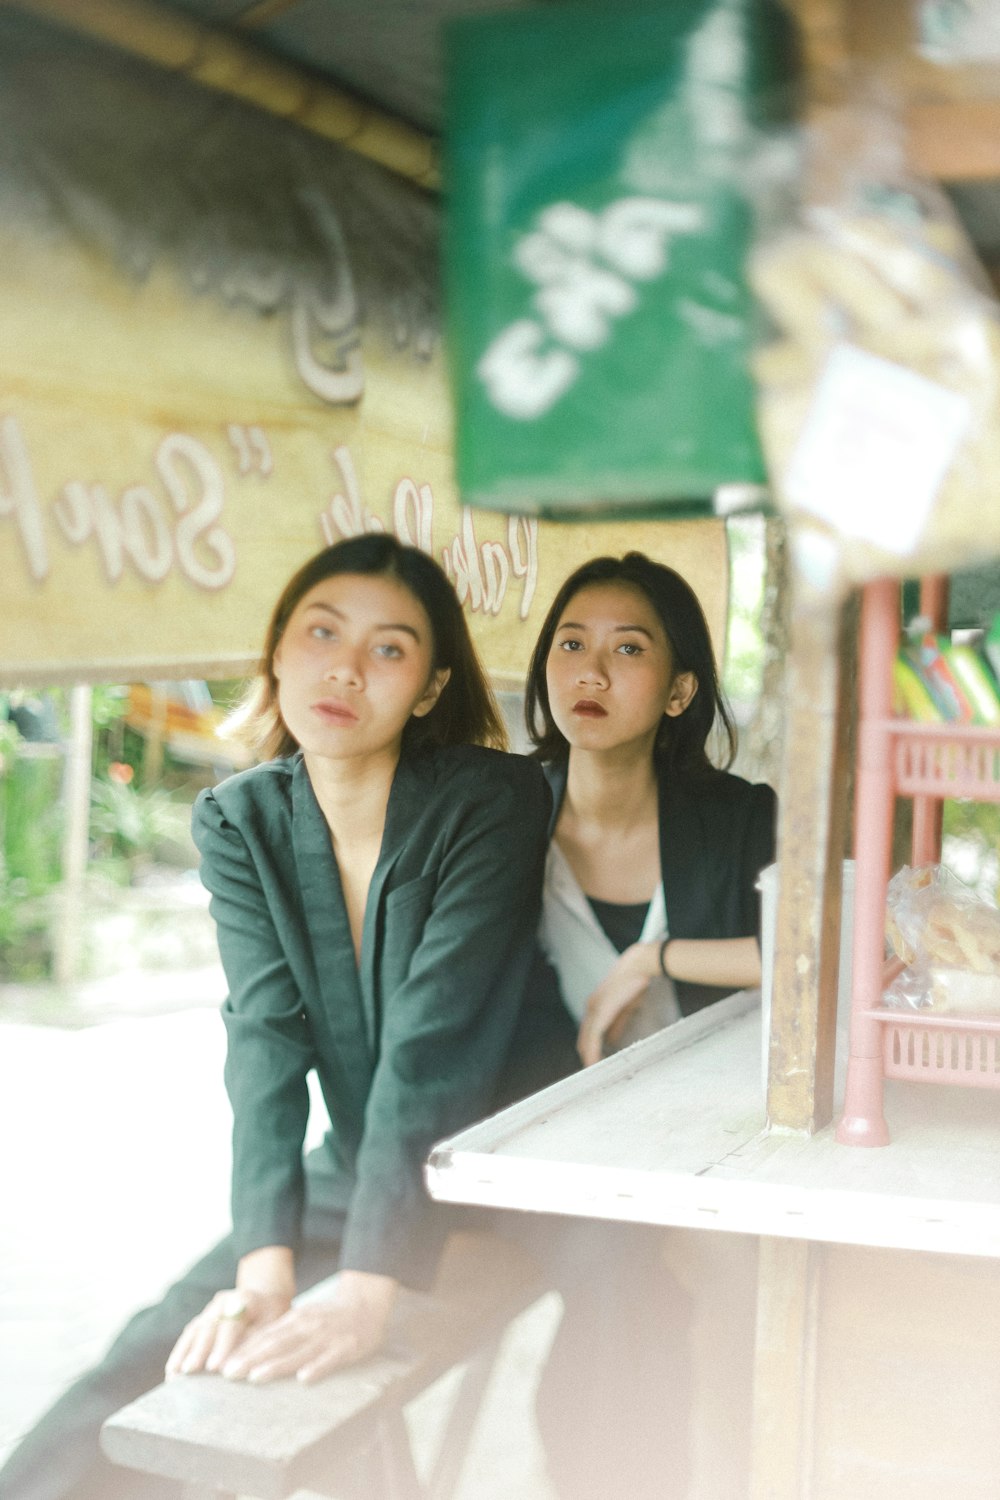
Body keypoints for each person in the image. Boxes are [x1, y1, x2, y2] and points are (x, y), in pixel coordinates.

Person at [2, 534, 553, 1500]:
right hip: (355, 1168)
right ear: (278, 652)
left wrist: (366, 1288)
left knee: (601, 1341)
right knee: (140, 1374)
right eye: (320, 632)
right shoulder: (238, 817)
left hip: (515, 1166)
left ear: (429, 687)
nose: (344, 667)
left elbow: (435, 1041)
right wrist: (265, 1268)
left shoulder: (490, 800)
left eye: (390, 648)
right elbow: (263, 1040)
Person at [522, 550, 777, 1500]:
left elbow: (815, 957)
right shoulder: (500, 815)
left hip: (716, 1142)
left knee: (736, 1305)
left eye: (628, 650)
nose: (590, 671)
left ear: (677, 692)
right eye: (571, 644)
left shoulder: (738, 816)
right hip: (549, 1147)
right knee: (625, 1312)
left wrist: (657, 957)